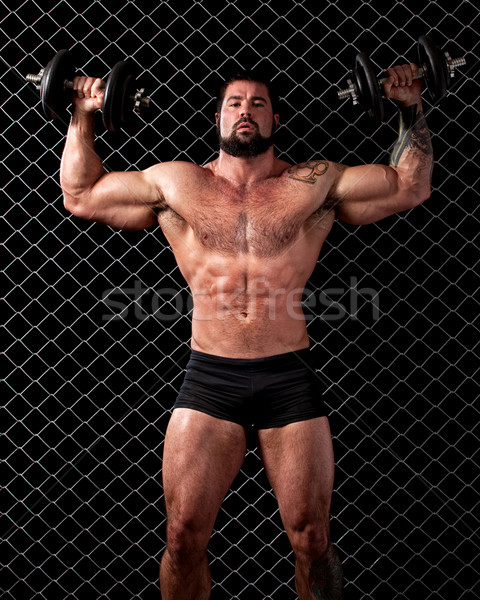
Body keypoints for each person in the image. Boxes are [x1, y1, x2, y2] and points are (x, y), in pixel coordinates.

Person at [60, 58, 432, 599]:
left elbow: (408, 187)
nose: (245, 111)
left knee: (312, 538)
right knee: (183, 536)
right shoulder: (176, 182)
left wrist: (411, 109)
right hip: (211, 377)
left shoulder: (314, 182)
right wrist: (82, 114)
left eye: (258, 103)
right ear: (217, 117)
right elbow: (81, 193)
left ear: (274, 119)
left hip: (289, 377)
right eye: (235, 102)